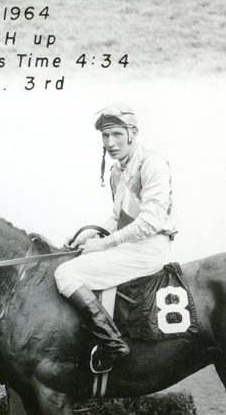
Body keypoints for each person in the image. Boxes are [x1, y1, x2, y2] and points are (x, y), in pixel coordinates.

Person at [55, 104, 177, 373]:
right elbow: (117, 219)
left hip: (149, 247)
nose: (110, 143)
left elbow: (150, 221)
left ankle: (113, 343)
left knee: (66, 274)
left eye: (116, 135)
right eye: (105, 136)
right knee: (73, 257)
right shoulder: (117, 172)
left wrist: (105, 243)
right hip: (130, 244)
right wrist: (89, 234)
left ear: (132, 133)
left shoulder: (152, 163)